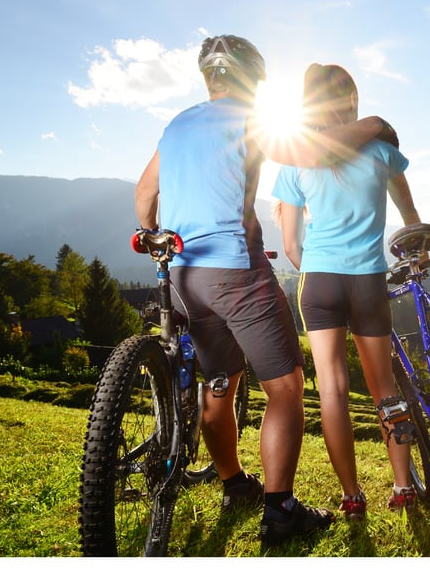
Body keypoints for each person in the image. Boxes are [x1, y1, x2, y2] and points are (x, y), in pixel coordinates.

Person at [133, 35, 396, 547]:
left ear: (208, 79)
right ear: (253, 80)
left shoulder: (177, 126)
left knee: (219, 382)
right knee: (286, 387)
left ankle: (234, 484)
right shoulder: (247, 117)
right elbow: (319, 152)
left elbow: (145, 196)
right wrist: (375, 126)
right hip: (238, 272)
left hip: (185, 272)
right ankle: (280, 512)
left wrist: (155, 239)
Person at [271, 63, 422, 520]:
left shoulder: (295, 160)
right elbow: (410, 218)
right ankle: (403, 486)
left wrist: (319, 267)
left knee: (333, 393)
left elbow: (292, 246)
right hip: (368, 281)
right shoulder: (381, 152)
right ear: (351, 101)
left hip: (319, 283)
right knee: (384, 389)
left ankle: (353, 496)